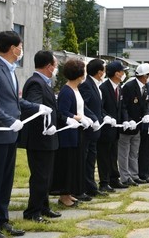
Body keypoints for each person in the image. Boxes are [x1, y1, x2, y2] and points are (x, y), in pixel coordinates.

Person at [0, 30, 47, 238]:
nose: (22, 50)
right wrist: (9, 121)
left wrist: (37, 107)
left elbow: (14, 102)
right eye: (20, 46)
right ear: (12, 48)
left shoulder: (10, 69)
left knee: (5, 182)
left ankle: (2, 220)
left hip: (9, 136)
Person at [19, 51, 61, 223]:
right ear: (49, 66)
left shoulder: (45, 82)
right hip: (39, 137)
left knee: (47, 175)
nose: (56, 68)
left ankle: (44, 206)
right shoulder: (35, 83)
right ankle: (33, 211)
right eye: (56, 65)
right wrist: (41, 108)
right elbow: (32, 106)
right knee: (40, 176)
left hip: (48, 136)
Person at [54, 58, 93, 207]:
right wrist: (78, 118)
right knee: (68, 164)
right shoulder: (66, 91)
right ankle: (64, 195)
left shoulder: (77, 89)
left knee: (76, 163)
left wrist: (86, 118)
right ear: (79, 74)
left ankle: (70, 193)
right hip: (68, 133)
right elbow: (63, 112)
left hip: (78, 131)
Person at [119, 63, 149, 185]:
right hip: (128, 125)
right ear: (143, 76)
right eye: (148, 74)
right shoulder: (129, 86)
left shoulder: (145, 86)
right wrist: (127, 119)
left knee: (134, 152)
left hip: (138, 125)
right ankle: (125, 177)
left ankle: (134, 174)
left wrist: (146, 114)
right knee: (124, 153)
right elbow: (124, 106)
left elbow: (147, 103)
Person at [78, 58, 107, 196]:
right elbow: (83, 105)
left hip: (96, 129)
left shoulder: (95, 84)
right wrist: (93, 118)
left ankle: (91, 187)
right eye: (104, 70)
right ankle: (84, 187)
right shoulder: (86, 85)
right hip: (88, 129)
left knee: (91, 159)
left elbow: (98, 106)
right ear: (99, 72)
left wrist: (104, 116)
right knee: (85, 159)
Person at [97, 61, 125, 191]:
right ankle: (104, 182)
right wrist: (106, 117)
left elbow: (122, 107)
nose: (124, 73)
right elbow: (100, 108)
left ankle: (114, 178)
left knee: (113, 154)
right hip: (106, 128)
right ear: (116, 73)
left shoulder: (119, 87)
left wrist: (125, 120)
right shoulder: (104, 88)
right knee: (104, 156)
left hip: (116, 128)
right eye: (122, 71)